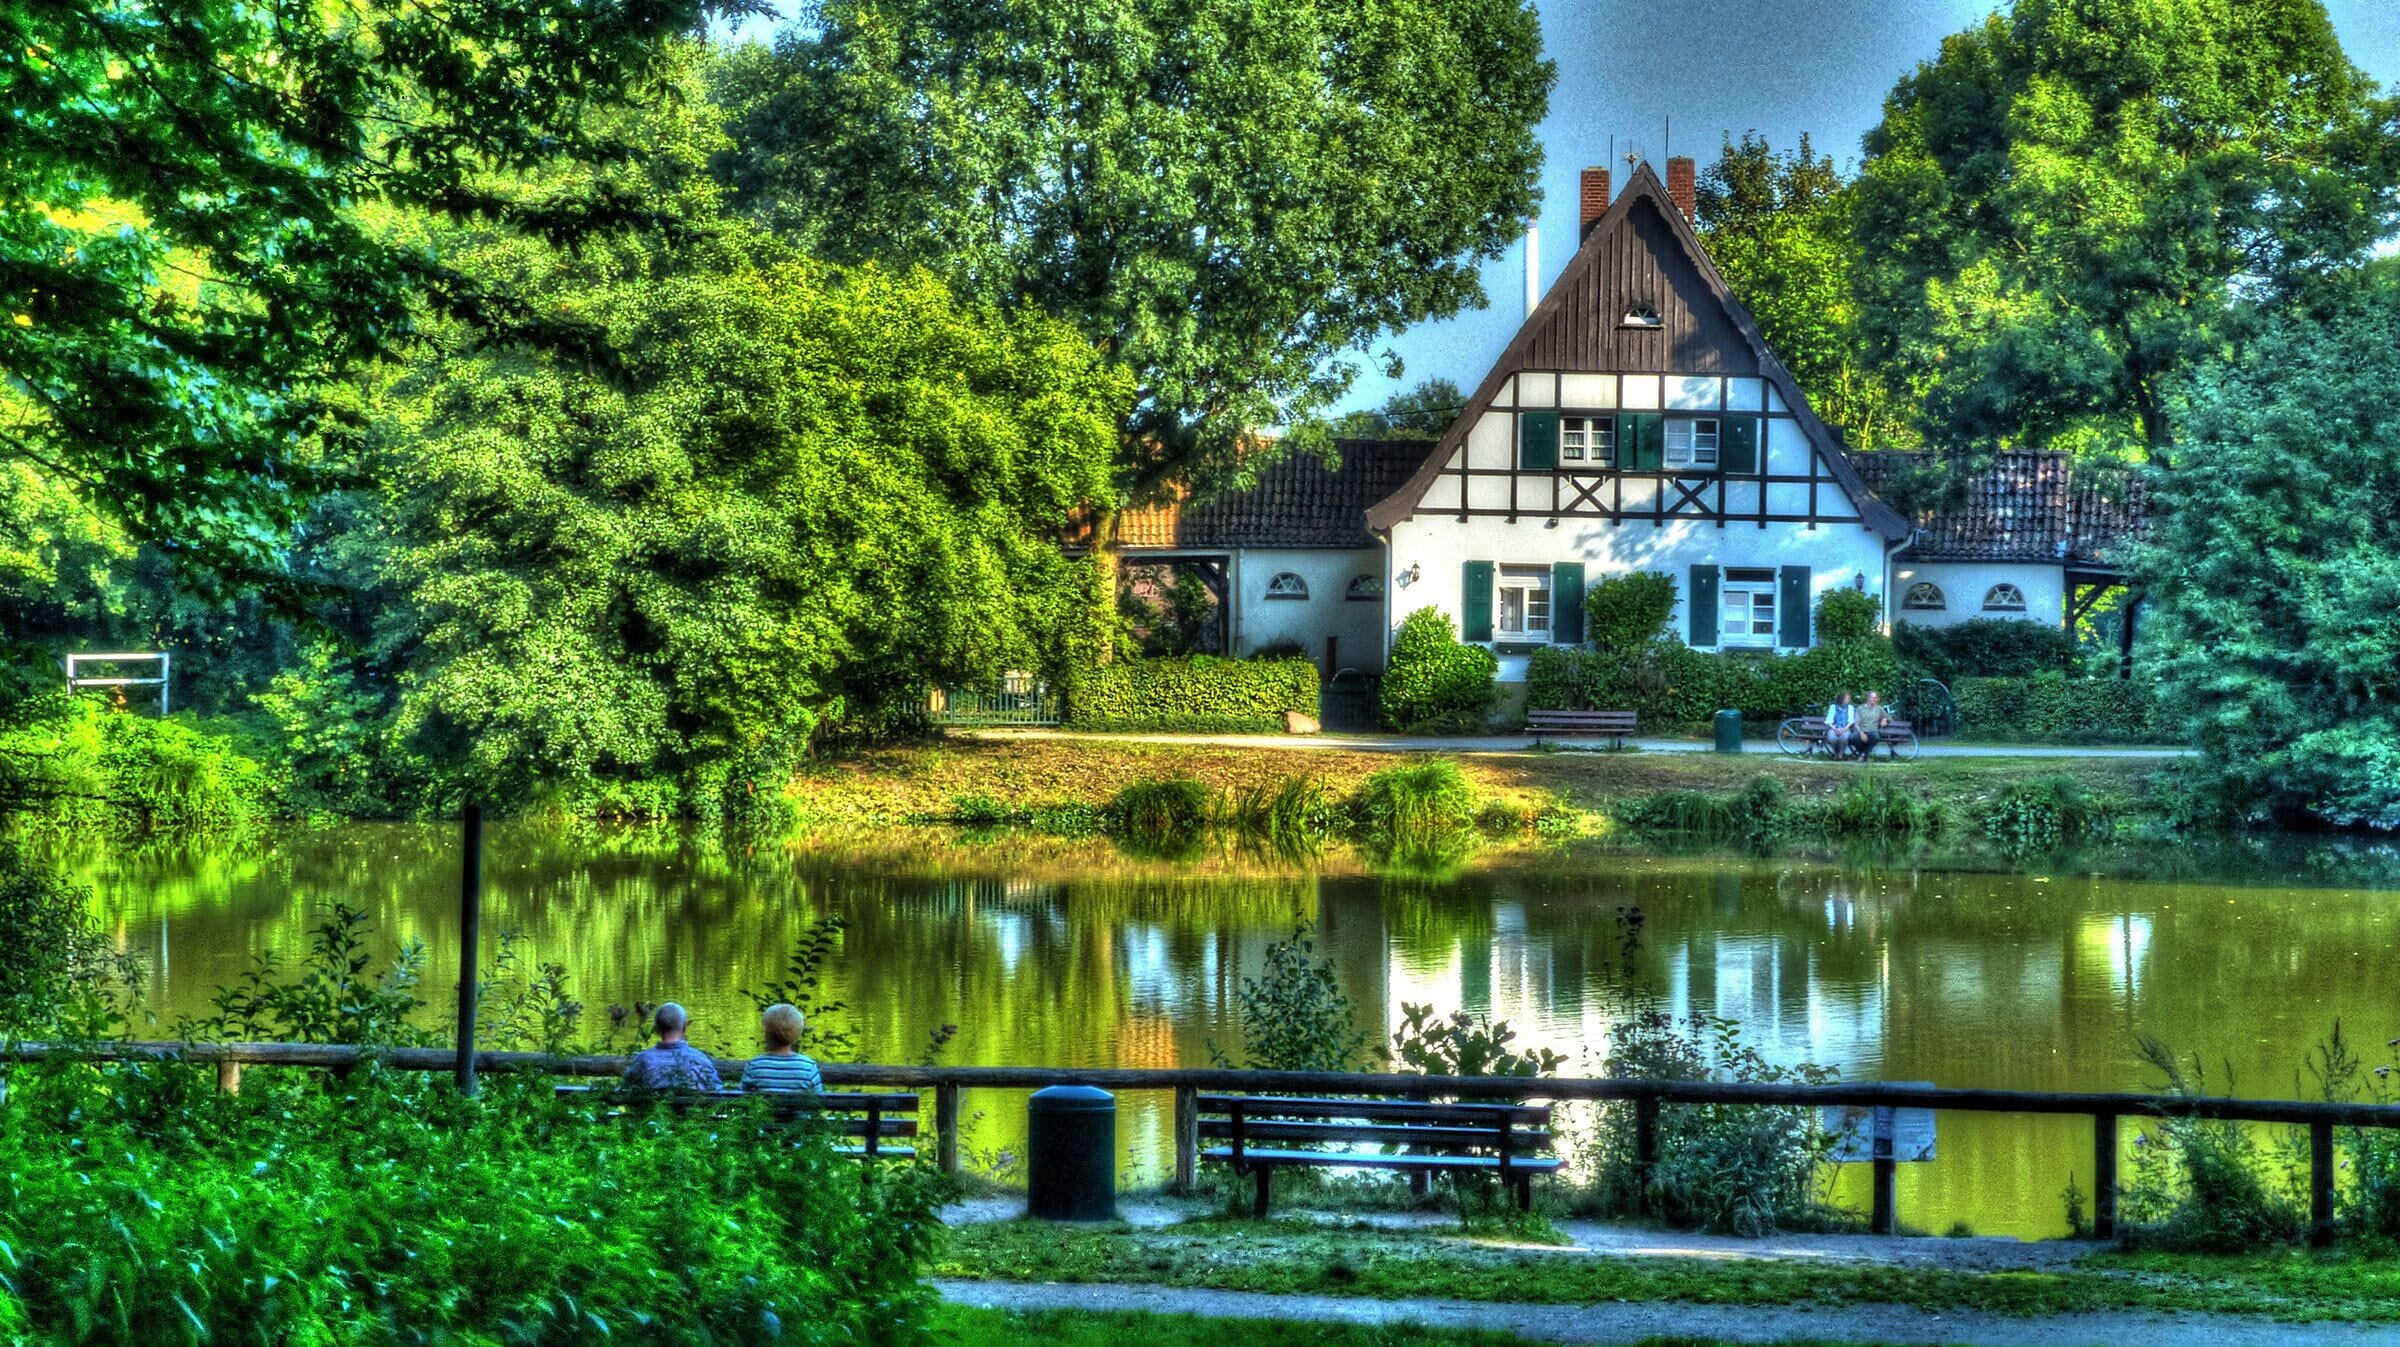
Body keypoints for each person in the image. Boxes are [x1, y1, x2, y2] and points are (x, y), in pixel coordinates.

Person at [623, 1002, 723, 1091]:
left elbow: (625, 1089)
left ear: (656, 1029)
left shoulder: (642, 1061)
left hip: (651, 1110)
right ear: (685, 1026)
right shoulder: (699, 1060)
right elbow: (717, 1090)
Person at [741, 1002, 825, 1094]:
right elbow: (818, 1100)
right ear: (797, 1035)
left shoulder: (755, 1065)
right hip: (797, 1109)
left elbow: (742, 1098)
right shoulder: (808, 1067)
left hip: (764, 1109)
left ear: (766, 1034)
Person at [1856, 691, 1890, 758]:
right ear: (1868, 698)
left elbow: (1888, 717)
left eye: (1876, 698)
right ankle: (1862, 753)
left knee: (1876, 736)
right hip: (1861, 730)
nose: (1875, 699)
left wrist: (1885, 719)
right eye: (1873, 698)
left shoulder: (1879, 708)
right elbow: (1856, 723)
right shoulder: (1860, 708)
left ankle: (1863, 754)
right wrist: (1861, 733)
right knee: (1853, 737)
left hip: (1872, 730)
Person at [1824, 692, 1858, 758]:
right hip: (1833, 728)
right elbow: (1829, 720)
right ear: (1841, 699)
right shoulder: (1833, 707)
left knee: (1844, 737)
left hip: (1845, 728)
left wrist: (1844, 729)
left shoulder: (1850, 707)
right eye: (1846, 698)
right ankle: (1835, 752)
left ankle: (1840, 753)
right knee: (1832, 737)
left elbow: (1851, 721)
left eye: (1849, 698)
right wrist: (1834, 729)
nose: (1848, 700)